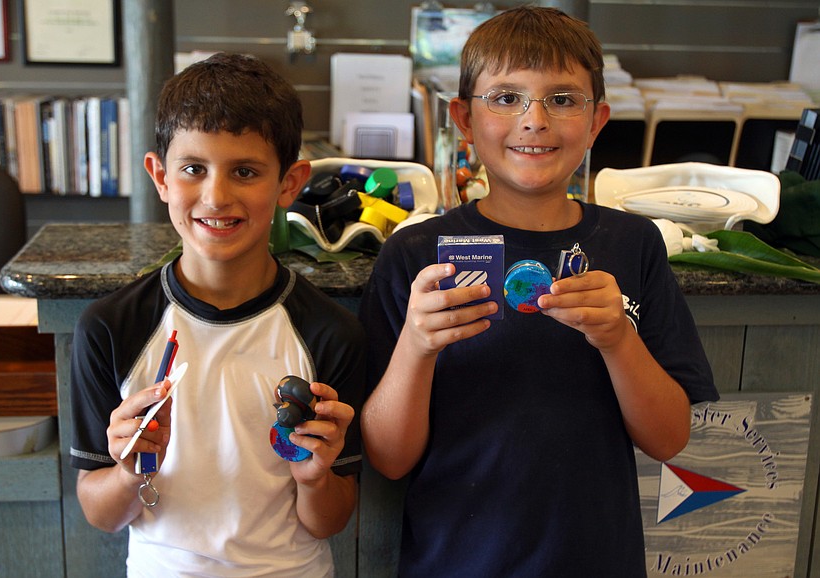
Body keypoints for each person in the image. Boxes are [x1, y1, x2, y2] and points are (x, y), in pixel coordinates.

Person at [359, 7, 718, 577]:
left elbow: (670, 439)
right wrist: (417, 347)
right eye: (504, 97)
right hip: (455, 560)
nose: (533, 120)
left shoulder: (633, 244)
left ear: (597, 120)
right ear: (464, 119)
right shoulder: (415, 255)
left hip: (598, 558)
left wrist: (618, 338)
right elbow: (388, 458)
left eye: (562, 98)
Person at [69, 52, 365, 577]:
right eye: (193, 169)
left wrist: (316, 476)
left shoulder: (329, 333)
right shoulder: (110, 328)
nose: (216, 196)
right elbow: (101, 513)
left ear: (289, 184)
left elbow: (329, 522)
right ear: (160, 177)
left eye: (245, 171)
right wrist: (126, 469)